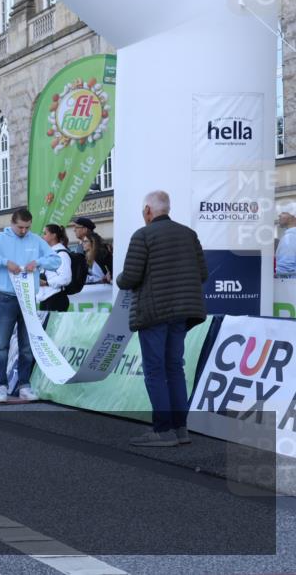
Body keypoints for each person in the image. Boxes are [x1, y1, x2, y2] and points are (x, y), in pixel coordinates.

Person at [117, 190, 207, 447]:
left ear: (147, 210)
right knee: (174, 368)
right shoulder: (189, 235)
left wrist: (119, 279)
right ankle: (181, 429)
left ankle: (163, 430)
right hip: (183, 312)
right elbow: (202, 273)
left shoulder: (143, 235)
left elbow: (130, 278)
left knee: (155, 371)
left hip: (154, 312)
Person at [0, 208, 60, 403]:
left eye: (27, 228)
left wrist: (37, 262)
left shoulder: (36, 240)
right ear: (12, 223)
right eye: (20, 227)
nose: (23, 231)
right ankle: (1, 385)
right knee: (2, 344)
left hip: (29, 298)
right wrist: (4, 262)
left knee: (27, 345)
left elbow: (55, 260)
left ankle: (24, 385)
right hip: (6, 297)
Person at [38, 224, 72, 312]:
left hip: (56, 298)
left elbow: (66, 278)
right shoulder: (48, 253)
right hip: (46, 298)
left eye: (45, 233)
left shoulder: (62, 254)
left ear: (54, 235)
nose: (43, 236)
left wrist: (46, 283)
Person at [276, 202, 296, 277]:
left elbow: (285, 270)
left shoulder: (290, 238)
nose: (279, 215)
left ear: (293, 216)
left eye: (284, 212)